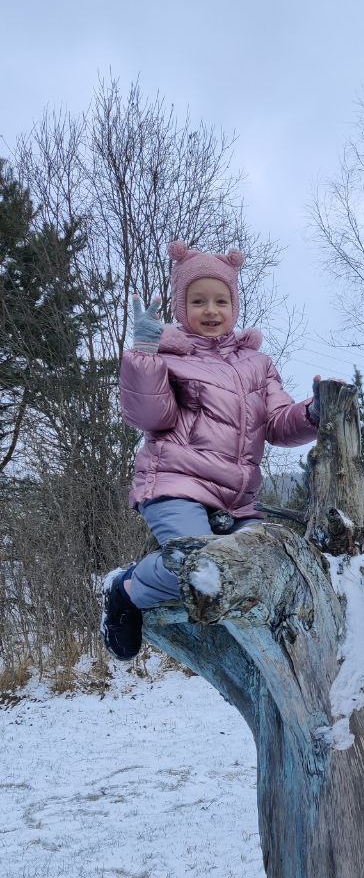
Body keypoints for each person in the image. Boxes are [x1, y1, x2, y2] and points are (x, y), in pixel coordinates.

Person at [101, 241, 319, 661]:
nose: (211, 310)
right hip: (175, 483)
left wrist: (315, 412)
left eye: (221, 300)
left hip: (237, 499)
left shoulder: (257, 364)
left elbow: (278, 423)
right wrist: (144, 355)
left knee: (265, 563)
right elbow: (150, 416)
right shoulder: (169, 356)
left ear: (234, 305)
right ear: (182, 307)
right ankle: (125, 589)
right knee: (198, 565)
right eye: (198, 301)